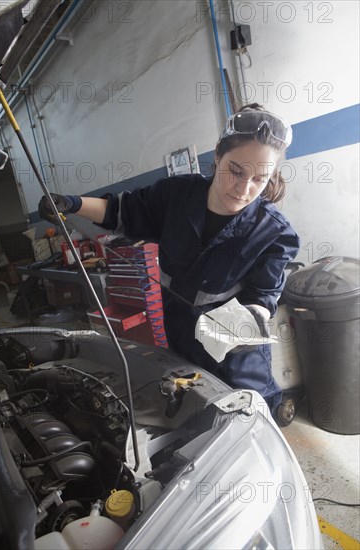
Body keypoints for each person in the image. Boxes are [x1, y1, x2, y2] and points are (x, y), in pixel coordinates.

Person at [38, 104, 300, 417]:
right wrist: (71, 203)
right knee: (191, 409)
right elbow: (122, 211)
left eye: (259, 179)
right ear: (218, 155)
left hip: (237, 355)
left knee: (249, 416)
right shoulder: (176, 195)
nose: (244, 190)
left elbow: (263, 294)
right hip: (181, 336)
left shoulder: (275, 232)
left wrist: (247, 321)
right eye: (236, 171)